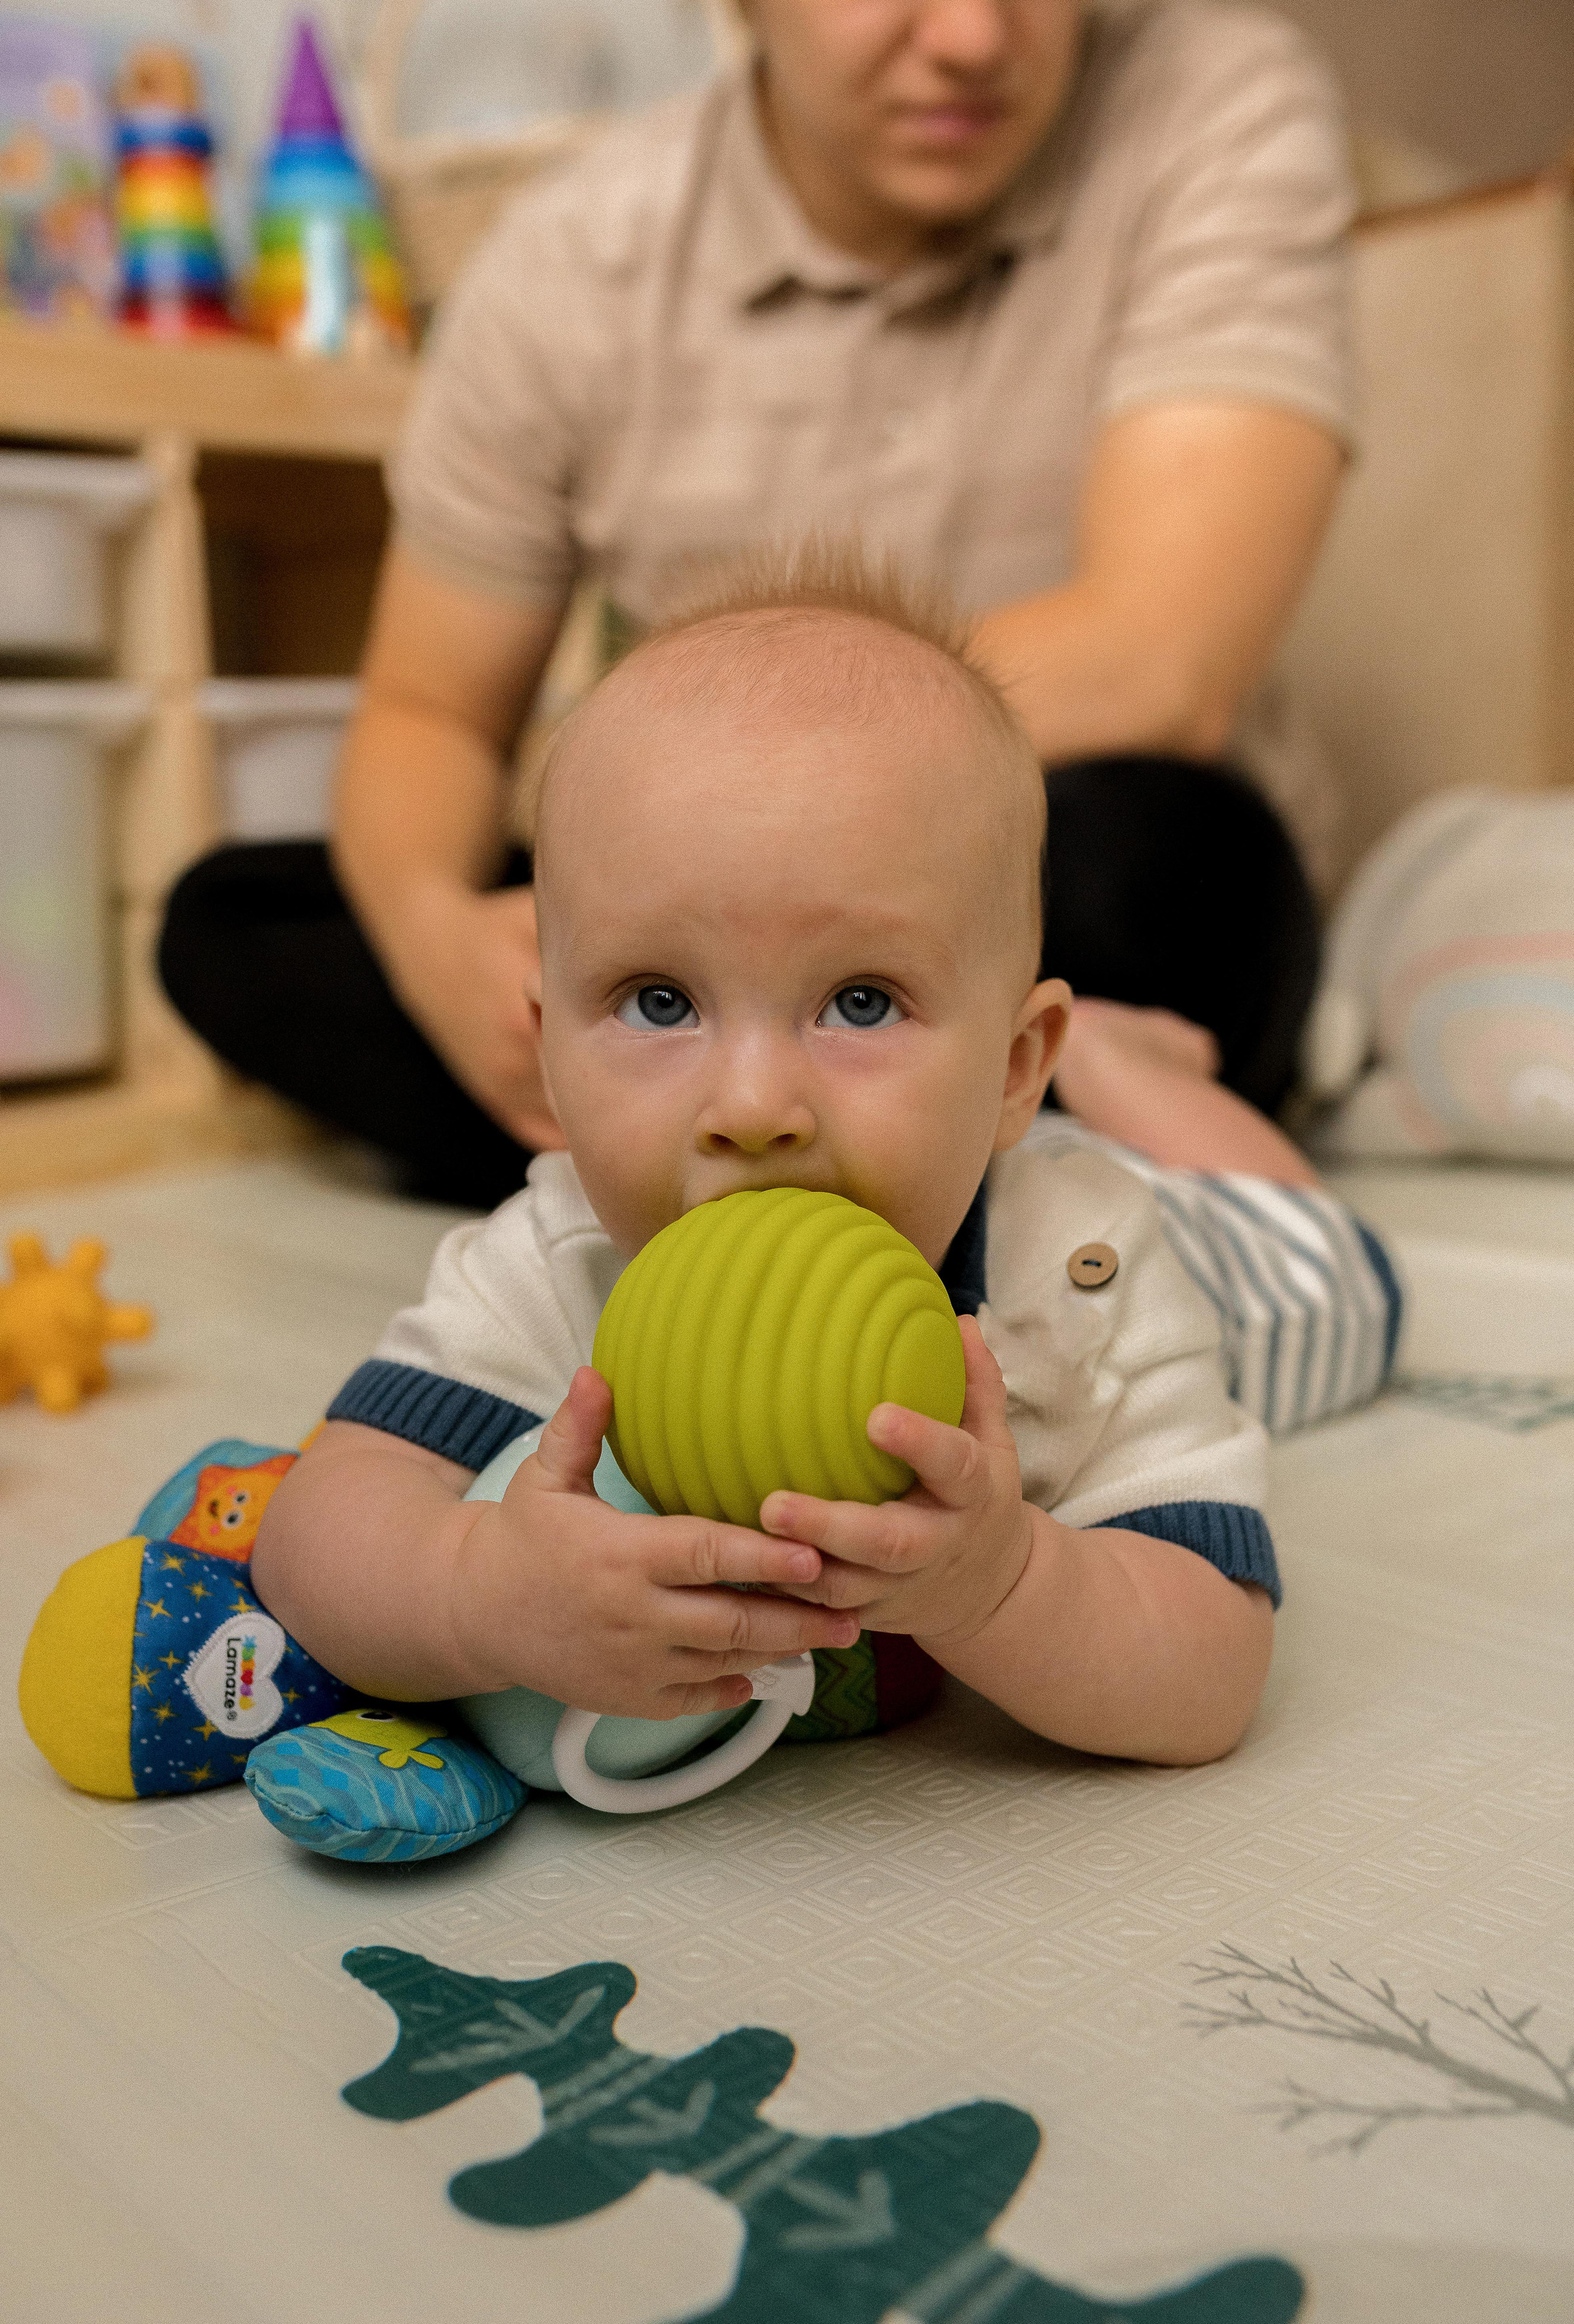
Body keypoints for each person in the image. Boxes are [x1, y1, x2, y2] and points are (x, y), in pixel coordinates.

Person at [160, 0, 1356, 1210]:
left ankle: (655, 1137)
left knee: (1163, 857)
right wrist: (441, 956)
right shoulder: (571, 256)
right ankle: (902, 1152)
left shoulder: (1213, 100)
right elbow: (431, 711)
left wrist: (755, 810)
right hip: (700, 891)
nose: (970, 39)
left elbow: (1159, 661)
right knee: (236, 916)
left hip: (1065, 870)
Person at [251, 561, 1396, 1768]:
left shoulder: (1083, 1274)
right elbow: (319, 1521)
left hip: (1245, 1265)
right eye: (658, 1000)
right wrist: (474, 1591)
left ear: (1015, 1067)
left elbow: (1207, 1679)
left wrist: (1005, 1583)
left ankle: (1137, 1071)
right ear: (545, 1059)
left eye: (859, 1001)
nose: (752, 1109)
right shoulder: (556, 1258)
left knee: (1329, 1267)